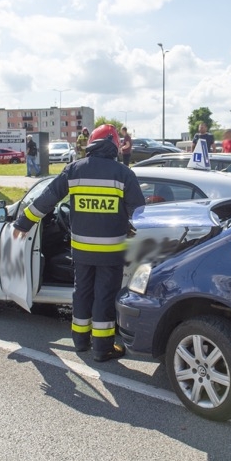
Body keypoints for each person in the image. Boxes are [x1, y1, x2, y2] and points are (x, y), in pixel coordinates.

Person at [12, 124, 145, 362]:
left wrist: (23, 223)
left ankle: (81, 342)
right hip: (111, 251)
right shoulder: (124, 174)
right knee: (104, 296)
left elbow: (47, 199)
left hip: (81, 250)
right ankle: (102, 348)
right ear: (114, 145)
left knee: (82, 293)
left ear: (91, 143)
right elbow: (139, 214)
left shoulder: (73, 170)